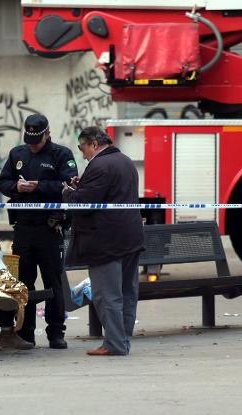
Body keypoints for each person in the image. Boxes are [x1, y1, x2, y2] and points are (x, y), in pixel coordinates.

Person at [0, 114, 78, 350]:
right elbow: (3, 182)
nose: (33, 145)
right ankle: (25, 332)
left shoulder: (61, 155)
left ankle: (56, 332)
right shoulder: (17, 154)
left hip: (50, 228)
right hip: (23, 228)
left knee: (54, 281)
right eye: (30, 140)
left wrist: (38, 186)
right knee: (24, 282)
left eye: (37, 140)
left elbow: (68, 186)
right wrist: (15, 187)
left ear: (47, 134)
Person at [62, 126, 144, 356]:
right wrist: (83, 186)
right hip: (130, 238)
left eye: (82, 147)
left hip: (105, 241)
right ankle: (123, 341)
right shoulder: (125, 161)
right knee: (127, 293)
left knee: (107, 295)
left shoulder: (99, 165)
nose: (82, 153)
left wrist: (68, 192)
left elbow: (83, 204)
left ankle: (115, 344)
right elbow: (107, 194)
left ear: (94, 145)